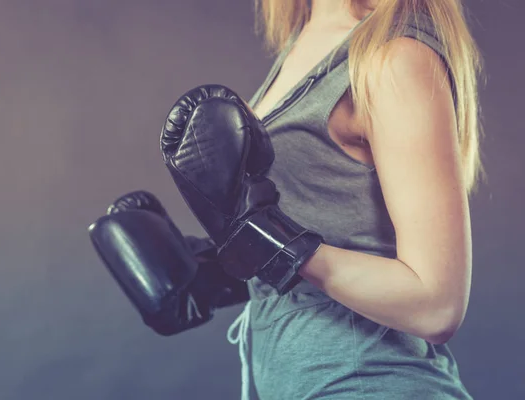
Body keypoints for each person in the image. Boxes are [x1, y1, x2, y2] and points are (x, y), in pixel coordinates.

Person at [90, 0, 482, 398]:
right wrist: (211, 274)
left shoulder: (395, 55)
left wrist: (265, 241)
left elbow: (437, 305)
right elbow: (332, 232)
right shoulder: (303, 42)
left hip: (369, 383)